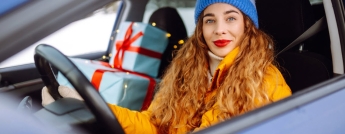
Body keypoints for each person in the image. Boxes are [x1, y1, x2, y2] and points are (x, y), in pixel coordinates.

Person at [42, 0, 291, 133]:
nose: (219, 29)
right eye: (209, 20)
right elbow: (153, 125)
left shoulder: (265, 79)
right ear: (200, 29)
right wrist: (94, 107)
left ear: (248, 26)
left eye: (231, 18)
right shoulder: (186, 72)